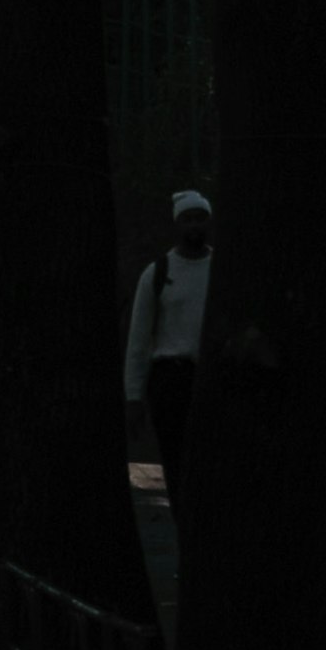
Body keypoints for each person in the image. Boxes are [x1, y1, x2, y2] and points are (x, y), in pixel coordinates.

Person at [124, 189, 215, 501]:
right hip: (171, 379)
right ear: (177, 225)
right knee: (175, 463)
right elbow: (139, 339)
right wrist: (133, 396)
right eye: (187, 219)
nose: (194, 226)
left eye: (199, 219)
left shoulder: (222, 270)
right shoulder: (158, 273)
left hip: (215, 378)